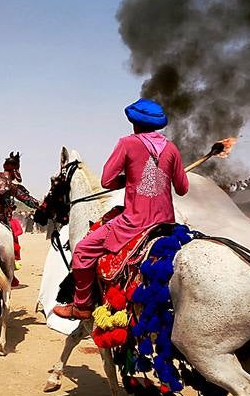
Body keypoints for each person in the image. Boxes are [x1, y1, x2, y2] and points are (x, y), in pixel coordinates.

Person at [53, 99, 191, 320]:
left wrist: (128, 179)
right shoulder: (171, 148)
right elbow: (183, 189)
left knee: (82, 250)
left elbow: (107, 180)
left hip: (135, 222)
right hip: (166, 222)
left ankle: (81, 305)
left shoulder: (127, 143)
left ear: (134, 123)